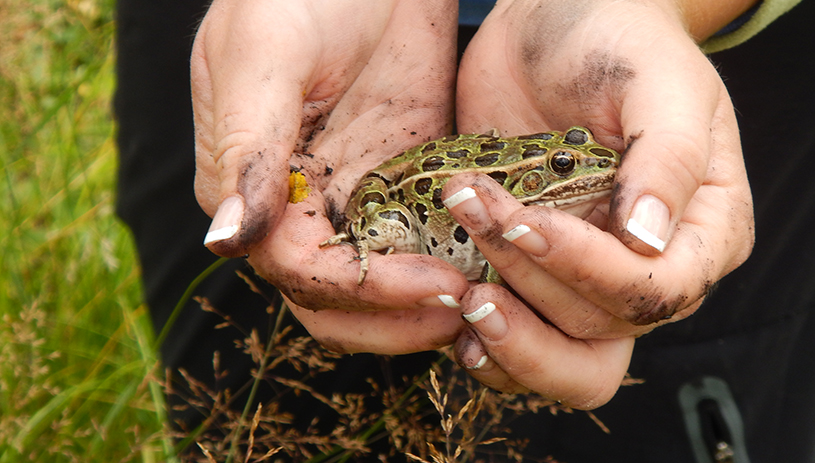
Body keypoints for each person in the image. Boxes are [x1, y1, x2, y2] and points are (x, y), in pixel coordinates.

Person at [116, 0, 814, 461]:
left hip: (670, 31)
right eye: (567, 163)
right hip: (311, 77)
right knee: (262, 424)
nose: (590, 168)